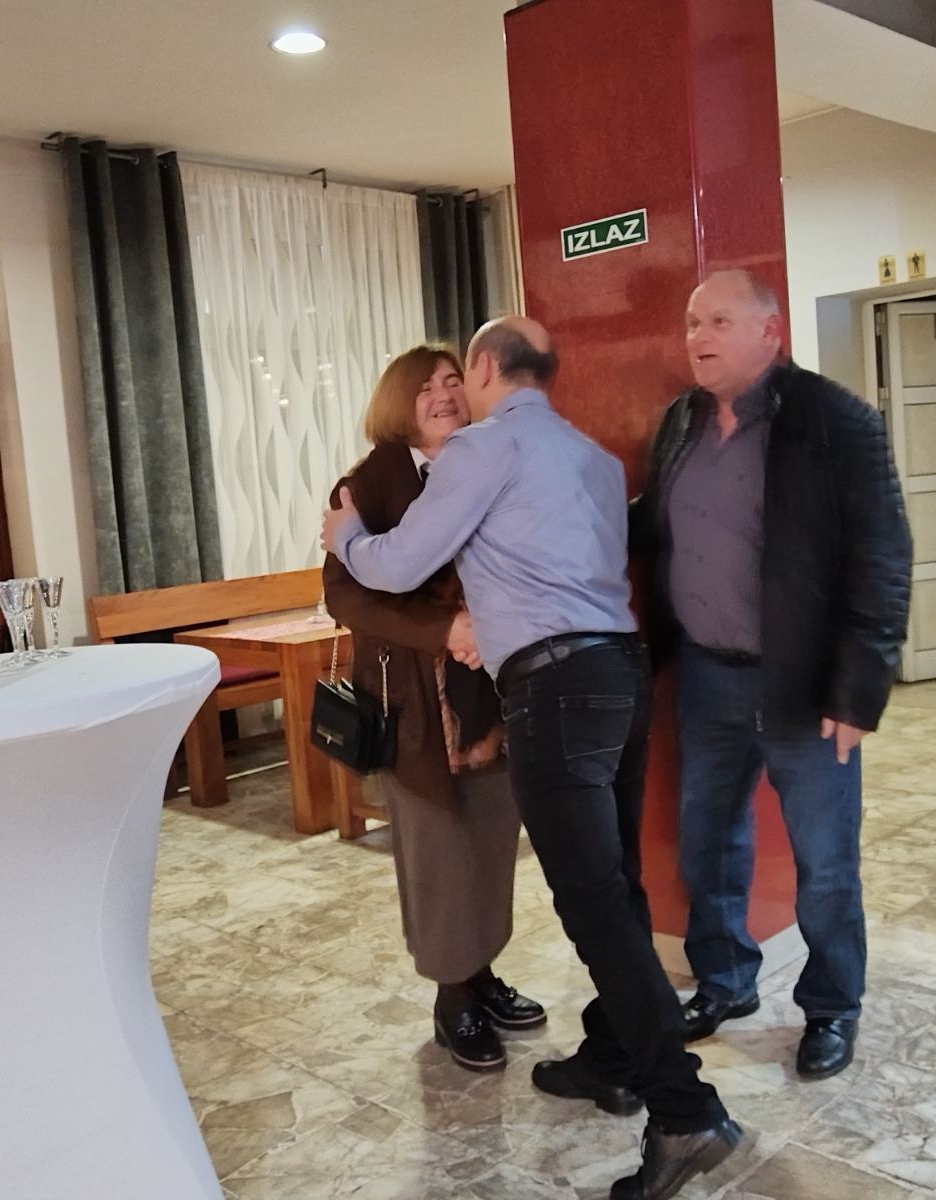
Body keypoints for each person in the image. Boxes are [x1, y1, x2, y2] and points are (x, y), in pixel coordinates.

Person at [322, 316, 744, 1200]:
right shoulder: (591, 456)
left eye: (457, 377)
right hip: (621, 673)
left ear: (483, 367)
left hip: (554, 690)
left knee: (594, 905)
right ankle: (616, 1055)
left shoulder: (482, 449)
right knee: (616, 885)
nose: (451, 394)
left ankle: (684, 1112)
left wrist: (347, 538)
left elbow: (395, 566)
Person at [633, 269, 912, 1081]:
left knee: (825, 863)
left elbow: (882, 559)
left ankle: (832, 1007)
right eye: (691, 322)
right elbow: (656, 529)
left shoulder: (837, 420)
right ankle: (725, 982)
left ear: (769, 331)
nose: (698, 337)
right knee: (708, 843)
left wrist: (857, 691)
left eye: (718, 321)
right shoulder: (680, 421)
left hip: (806, 685)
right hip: (707, 676)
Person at [321, 344, 545, 1074]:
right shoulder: (366, 485)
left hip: (492, 691)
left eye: (453, 380)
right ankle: (453, 997)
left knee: (490, 838)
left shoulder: (489, 464)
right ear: (398, 403)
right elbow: (345, 596)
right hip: (416, 702)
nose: (444, 394)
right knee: (438, 851)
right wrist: (443, 629)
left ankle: (481, 974)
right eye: (424, 387)